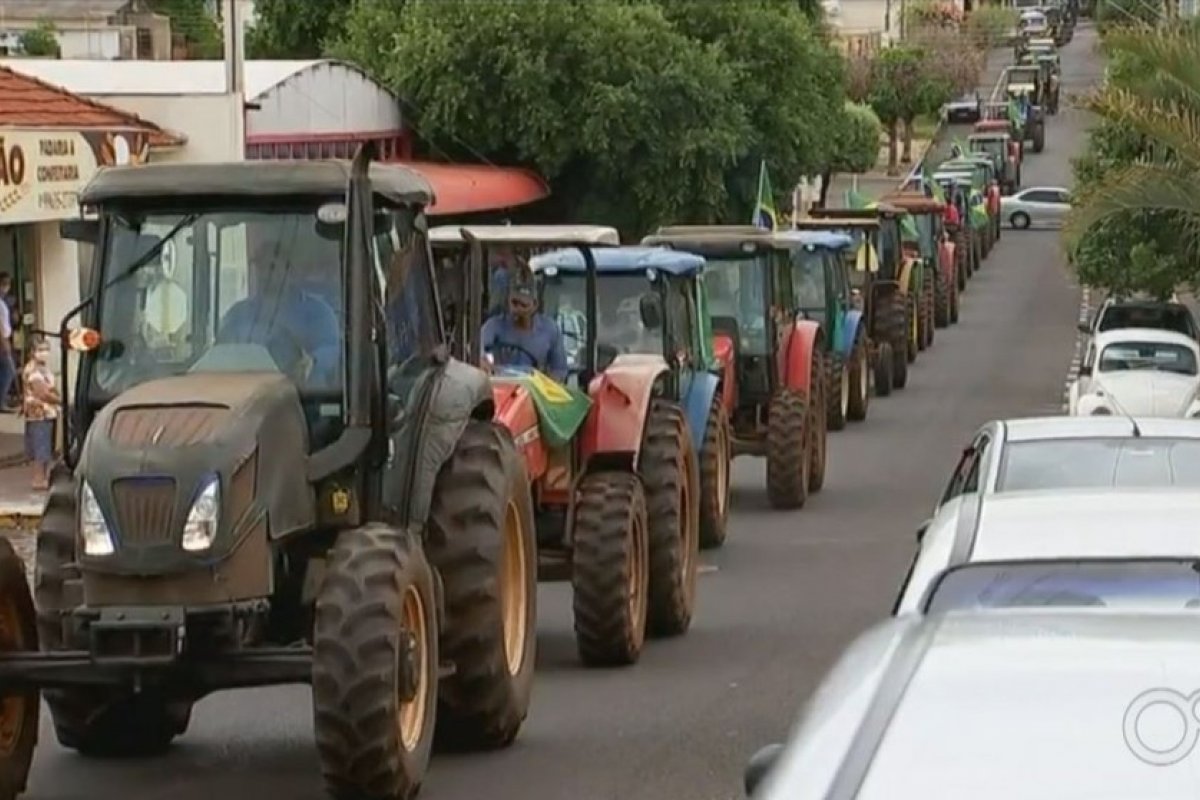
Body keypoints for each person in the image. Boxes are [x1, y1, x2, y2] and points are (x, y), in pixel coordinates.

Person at [218, 246, 341, 387]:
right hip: (249, 397)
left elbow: (331, 348)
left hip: (305, 399)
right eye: (260, 267)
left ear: (289, 271)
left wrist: (312, 361)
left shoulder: (317, 311)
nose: (264, 274)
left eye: (272, 267)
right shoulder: (238, 313)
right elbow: (221, 350)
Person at [480, 267, 568, 382]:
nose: (517, 309)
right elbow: (478, 348)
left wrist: (549, 381)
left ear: (535, 305)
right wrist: (483, 361)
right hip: (501, 388)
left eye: (523, 305)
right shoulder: (494, 326)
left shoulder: (550, 330)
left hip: (534, 391)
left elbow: (559, 370)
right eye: (514, 303)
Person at [21, 339, 59, 490]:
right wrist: (60, 400)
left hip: (46, 412)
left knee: (45, 445)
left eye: (46, 349)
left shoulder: (42, 368)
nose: (44, 353)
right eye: (41, 350)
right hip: (39, 413)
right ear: (33, 352)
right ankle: (38, 479)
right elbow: (42, 393)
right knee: (40, 446)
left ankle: (43, 477)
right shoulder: (33, 370)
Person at [0, 275, 16, 413]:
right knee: (9, 371)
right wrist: (4, 343)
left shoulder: (3, 302)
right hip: (2, 342)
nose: (6, 287)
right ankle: (2, 402)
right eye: (4, 284)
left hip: (5, 339)